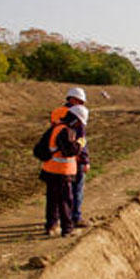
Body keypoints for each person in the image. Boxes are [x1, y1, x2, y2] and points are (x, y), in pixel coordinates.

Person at [40, 105, 88, 237]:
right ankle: (67, 229)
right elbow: (69, 151)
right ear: (76, 119)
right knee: (65, 201)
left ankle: (51, 226)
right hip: (62, 172)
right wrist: (80, 144)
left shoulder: (55, 128)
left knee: (52, 201)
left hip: (50, 170)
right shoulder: (65, 131)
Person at [50, 88, 91, 228]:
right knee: (76, 189)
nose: (82, 105)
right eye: (80, 101)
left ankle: (55, 221)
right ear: (72, 99)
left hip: (56, 160)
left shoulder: (57, 113)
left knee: (56, 193)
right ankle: (75, 217)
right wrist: (85, 160)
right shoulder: (77, 115)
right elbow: (81, 139)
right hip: (74, 160)